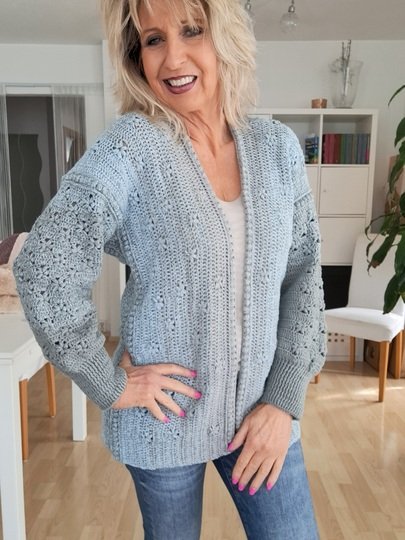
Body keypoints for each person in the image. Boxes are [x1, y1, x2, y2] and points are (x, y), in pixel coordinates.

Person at [13, 0, 326, 538]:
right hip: (165, 422)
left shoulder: (277, 149)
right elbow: (45, 264)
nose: (173, 58)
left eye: (192, 30)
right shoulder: (131, 148)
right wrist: (108, 382)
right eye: (153, 39)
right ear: (136, 56)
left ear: (226, 37)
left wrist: (283, 399)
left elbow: (303, 274)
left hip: (264, 417)